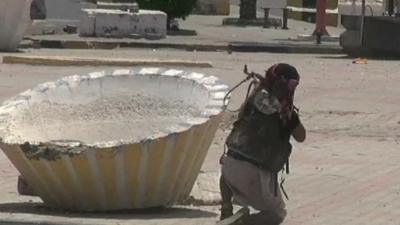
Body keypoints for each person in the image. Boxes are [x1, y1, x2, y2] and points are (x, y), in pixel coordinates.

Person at [218, 63, 306, 225]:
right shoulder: (285, 111)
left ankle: (226, 208)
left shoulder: (253, 98)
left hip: (230, 166)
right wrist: (290, 114)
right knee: (276, 213)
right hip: (255, 173)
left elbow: (242, 116)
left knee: (227, 165)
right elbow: (301, 136)